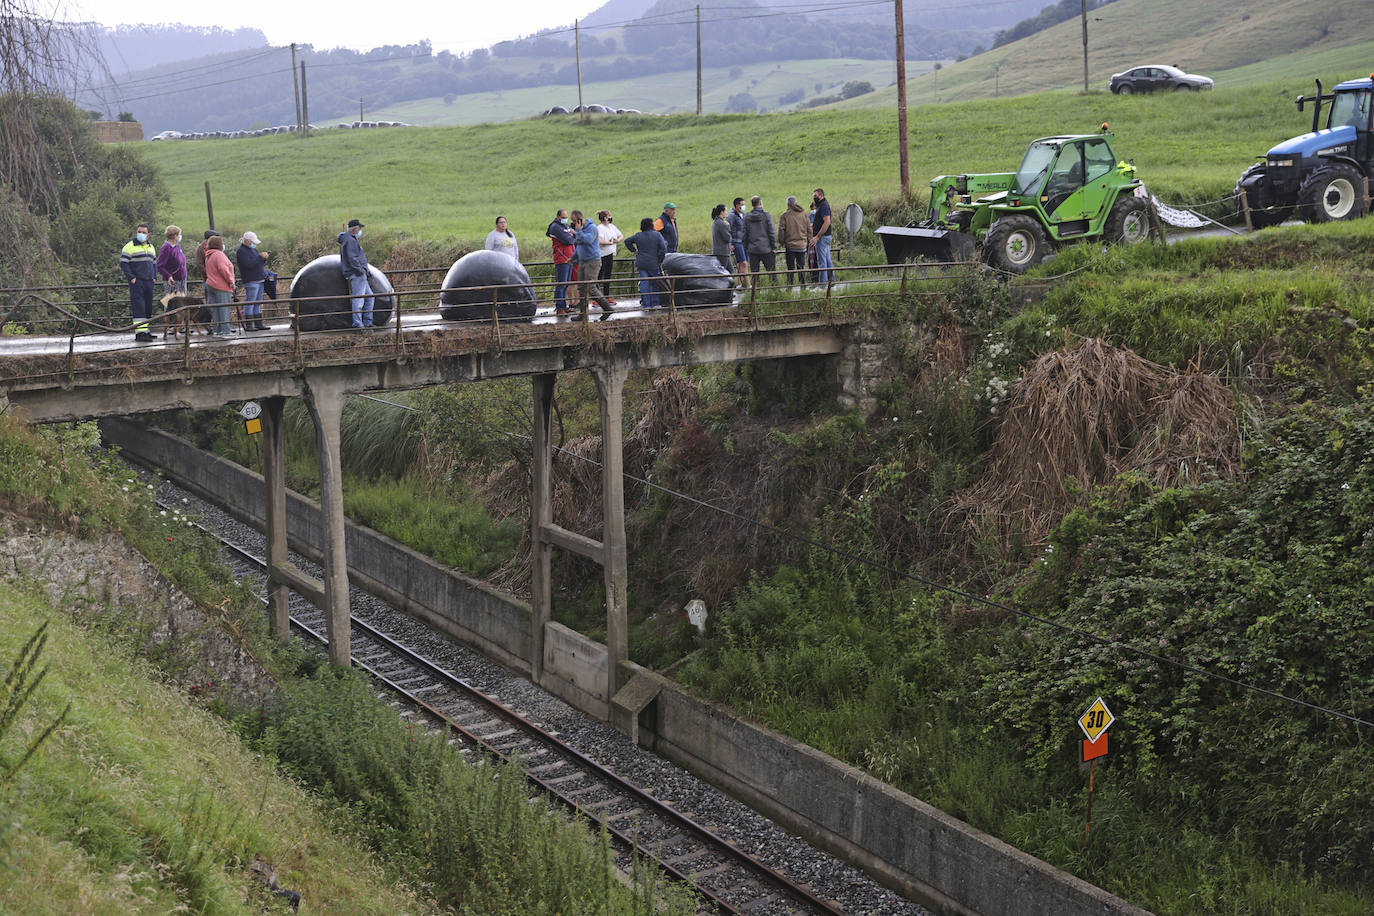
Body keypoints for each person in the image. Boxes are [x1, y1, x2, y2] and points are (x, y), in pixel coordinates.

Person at [119, 222, 157, 342]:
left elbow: (154, 263)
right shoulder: (129, 246)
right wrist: (132, 277)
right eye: (139, 232)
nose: (141, 234)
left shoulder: (151, 247)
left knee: (148, 307)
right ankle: (140, 333)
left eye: (144, 232)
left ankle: (146, 330)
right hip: (137, 281)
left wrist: (154, 276)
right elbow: (123, 263)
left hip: (149, 281)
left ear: (148, 234)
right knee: (139, 306)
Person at [571, 210, 611, 311]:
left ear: (580, 220)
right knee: (581, 288)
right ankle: (583, 314)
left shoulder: (591, 228)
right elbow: (579, 245)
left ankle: (607, 308)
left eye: (574, 222)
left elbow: (588, 240)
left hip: (592, 261)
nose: (573, 224)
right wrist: (572, 258)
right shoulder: (580, 230)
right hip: (582, 261)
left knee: (591, 288)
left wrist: (579, 231)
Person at [337, 218, 373, 329]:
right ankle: (358, 324)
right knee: (358, 300)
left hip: (359, 274)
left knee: (370, 297)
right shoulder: (350, 240)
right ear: (355, 229)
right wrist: (361, 271)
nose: (360, 231)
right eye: (359, 228)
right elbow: (352, 258)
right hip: (357, 275)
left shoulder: (349, 239)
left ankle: (367, 322)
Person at [624, 217, 667, 309]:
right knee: (654, 283)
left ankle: (646, 304)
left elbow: (627, 241)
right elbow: (663, 248)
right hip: (653, 263)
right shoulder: (657, 235)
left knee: (644, 282)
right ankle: (655, 304)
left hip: (641, 263)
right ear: (651, 225)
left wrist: (634, 250)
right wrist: (660, 260)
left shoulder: (638, 235)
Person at [203, 235, 236, 337]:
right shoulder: (219, 255)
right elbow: (223, 269)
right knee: (224, 309)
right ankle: (225, 331)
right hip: (221, 286)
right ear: (220, 245)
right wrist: (231, 281)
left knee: (215, 309)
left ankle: (217, 330)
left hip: (210, 284)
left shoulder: (208, 255)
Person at [236, 231, 269, 331]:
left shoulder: (252, 250)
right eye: (252, 242)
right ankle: (249, 325)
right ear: (247, 241)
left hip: (259, 279)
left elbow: (257, 263)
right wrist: (260, 257)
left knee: (257, 302)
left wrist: (263, 258)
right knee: (250, 302)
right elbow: (249, 264)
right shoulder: (241, 251)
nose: (253, 244)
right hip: (251, 280)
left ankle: (258, 323)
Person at [546, 209, 576, 313]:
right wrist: (572, 236)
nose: (565, 219)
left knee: (566, 283)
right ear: (558, 217)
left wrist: (573, 236)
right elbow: (568, 240)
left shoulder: (564, 226)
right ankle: (559, 307)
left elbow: (574, 236)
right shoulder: (556, 227)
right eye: (563, 217)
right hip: (562, 258)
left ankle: (563, 306)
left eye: (566, 217)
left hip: (569, 257)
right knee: (562, 283)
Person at [742, 195, 777, 286]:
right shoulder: (766, 215)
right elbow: (771, 232)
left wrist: (747, 246)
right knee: (772, 273)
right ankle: (775, 292)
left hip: (752, 249)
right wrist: (773, 246)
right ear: (760, 203)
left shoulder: (746, 217)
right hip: (766, 248)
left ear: (752, 205)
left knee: (755, 275)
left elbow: (744, 234)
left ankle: (756, 294)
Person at [778, 195, 811, 289]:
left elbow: (781, 230)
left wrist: (781, 242)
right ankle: (803, 286)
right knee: (801, 267)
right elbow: (809, 229)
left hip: (790, 246)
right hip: (802, 246)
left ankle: (789, 287)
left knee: (790, 268)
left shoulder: (785, 215)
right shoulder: (804, 214)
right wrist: (809, 240)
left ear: (788, 204)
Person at [595, 210, 623, 304]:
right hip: (602, 254)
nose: (610, 217)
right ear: (605, 218)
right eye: (609, 216)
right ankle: (597, 298)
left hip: (610, 253)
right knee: (599, 275)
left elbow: (621, 235)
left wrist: (617, 240)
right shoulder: (600, 228)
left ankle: (606, 296)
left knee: (608, 275)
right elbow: (600, 240)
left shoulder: (611, 226)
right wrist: (610, 242)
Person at [810, 187, 834, 285]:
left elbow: (827, 222)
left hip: (822, 237)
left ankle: (822, 285)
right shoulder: (821, 205)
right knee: (827, 260)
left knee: (822, 262)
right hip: (825, 236)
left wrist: (817, 237)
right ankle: (832, 281)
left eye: (815, 196)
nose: (814, 198)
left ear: (821, 195)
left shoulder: (823, 206)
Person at [156, 225, 187, 295]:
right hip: (173, 281)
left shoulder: (177, 246)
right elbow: (159, 265)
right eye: (179, 234)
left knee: (182, 303)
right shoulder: (166, 248)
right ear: (175, 236)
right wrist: (168, 276)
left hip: (181, 279)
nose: (180, 236)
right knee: (171, 303)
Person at [728, 197, 749, 289]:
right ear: (737, 205)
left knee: (741, 263)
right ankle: (748, 284)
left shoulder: (742, 215)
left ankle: (739, 283)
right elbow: (728, 229)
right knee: (743, 263)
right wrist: (730, 243)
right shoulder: (732, 216)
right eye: (742, 204)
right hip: (736, 241)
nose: (743, 206)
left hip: (743, 241)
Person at [710, 204, 732, 270]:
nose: (726, 213)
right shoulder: (722, 223)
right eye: (726, 211)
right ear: (722, 212)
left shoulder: (715, 222)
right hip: (723, 252)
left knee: (729, 270)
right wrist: (728, 226)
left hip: (718, 251)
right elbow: (727, 238)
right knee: (723, 271)